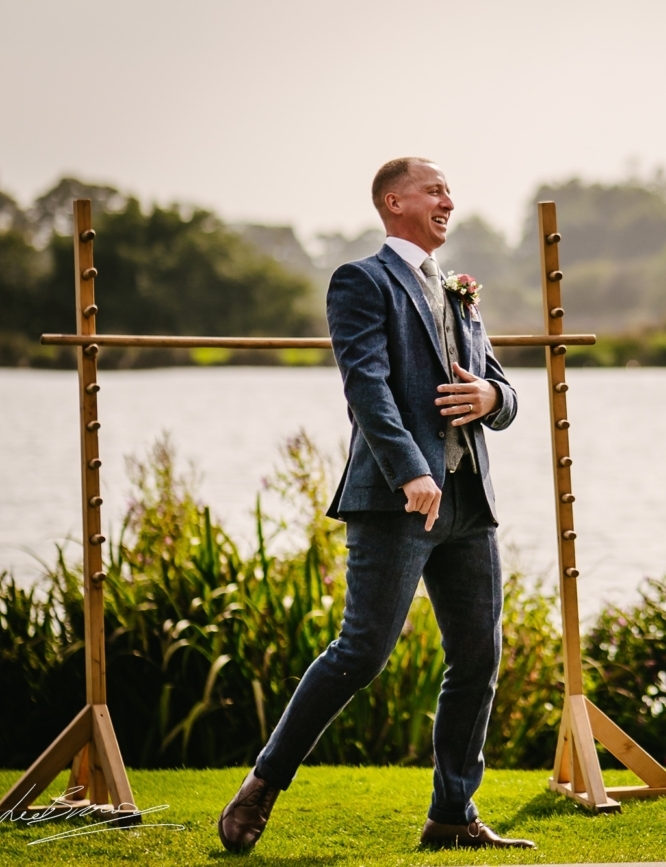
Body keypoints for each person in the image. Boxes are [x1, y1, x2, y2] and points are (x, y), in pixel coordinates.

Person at [217, 157, 534, 853]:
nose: (448, 199)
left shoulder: (460, 291)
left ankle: (452, 813)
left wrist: (490, 397)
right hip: (397, 501)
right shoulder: (361, 280)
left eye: (449, 190)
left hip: (467, 504)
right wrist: (411, 472)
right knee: (361, 653)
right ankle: (261, 784)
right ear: (395, 201)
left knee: (479, 657)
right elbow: (367, 387)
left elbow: (503, 389)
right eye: (434, 189)